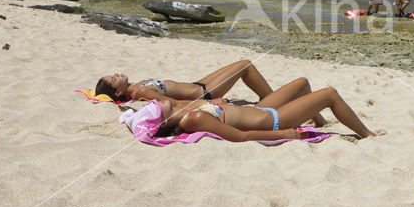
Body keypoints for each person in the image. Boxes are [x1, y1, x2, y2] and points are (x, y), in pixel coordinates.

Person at [141, 77, 375, 141]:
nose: (156, 101)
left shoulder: (183, 111)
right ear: (162, 119)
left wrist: (215, 104)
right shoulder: (193, 121)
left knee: (303, 83)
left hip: (261, 109)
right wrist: (282, 133)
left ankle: (320, 121)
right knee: (330, 94)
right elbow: (240, 136)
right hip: (273, 120)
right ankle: (367, 135)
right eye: (155, 106)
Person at [95, 59, 275, 105]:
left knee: (243, 63)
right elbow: (174, 103)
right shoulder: (140, 92)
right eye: (114, 79)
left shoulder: (135, 86)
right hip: (205, 93)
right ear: (118, 92)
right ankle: (273, 99)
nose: (117, 74)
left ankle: (268, 97)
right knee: (246, 65)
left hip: (198, 84)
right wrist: (209, 102)